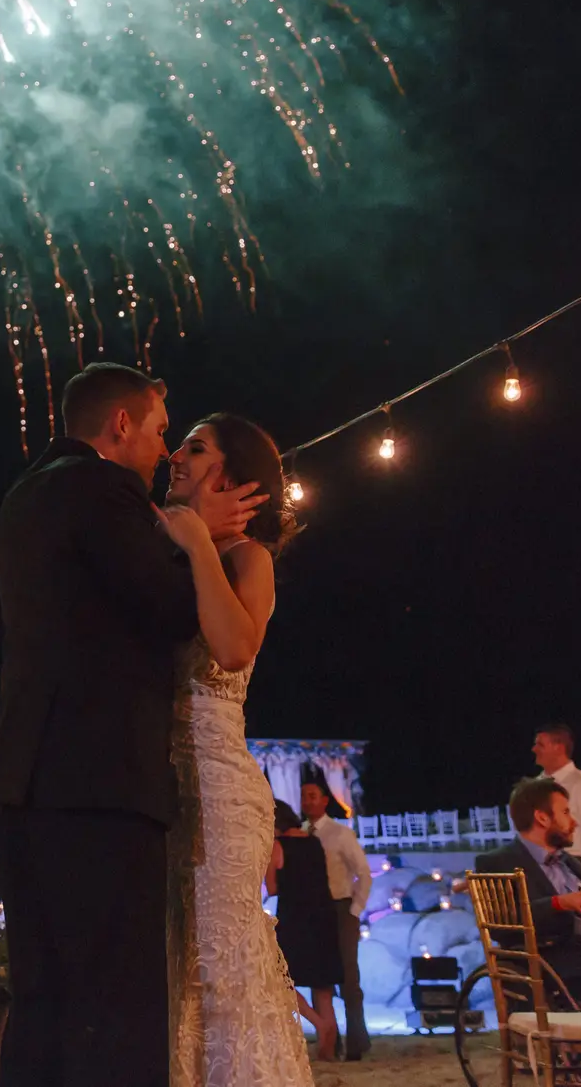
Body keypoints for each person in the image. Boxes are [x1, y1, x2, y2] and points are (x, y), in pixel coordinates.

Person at [0, 364, 261, 1087]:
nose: (166, 452)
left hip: (28, 774)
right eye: (162, 431)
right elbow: (173, 613)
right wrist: (196, 540)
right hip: (102, 781)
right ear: (120, 425)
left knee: (43, 996)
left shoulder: (24, 493)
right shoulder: (103, 489)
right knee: (116, 1003)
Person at [159, 412, 313, 1087]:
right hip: (160, 786)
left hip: (219, 790)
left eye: (195, 447)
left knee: (220, 976)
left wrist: (198, 544)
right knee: (177, 976)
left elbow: (233, 647)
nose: (174, 455)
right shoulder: (157, 540)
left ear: (231, 474)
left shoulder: (247, 557)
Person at [474, 777, 581, 1013]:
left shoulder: (569, 861)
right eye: (566, 812)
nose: (574, 822)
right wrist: (558, 903)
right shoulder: (497, 862)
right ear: (542, 817)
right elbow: (502, 922)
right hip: (553, 960)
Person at [300, 778, 372, 1060]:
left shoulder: (340, 834)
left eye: (313, 796)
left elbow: (364, 873)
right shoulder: (301, 833)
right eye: (304, 796)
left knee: (349, 980)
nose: (308, 801)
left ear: (324, 800)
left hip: (340, 909)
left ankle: (357, 1041)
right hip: (314, 913)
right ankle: (330, 1040)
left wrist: (355, 910)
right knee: (320, 979)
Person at [269, 800, 342, 1062]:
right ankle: (329, 1043)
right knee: (323, 983)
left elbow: (273, 888)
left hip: (294, 917)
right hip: (323, 915)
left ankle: (318, 1024)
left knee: (283, 980)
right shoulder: (314, 842)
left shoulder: (277, 846)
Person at [532, 723, 581, 881]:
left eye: (540, 744)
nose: (534, 749)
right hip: (540, 876)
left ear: (559, 748)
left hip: (573, 874)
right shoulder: (534, 787)